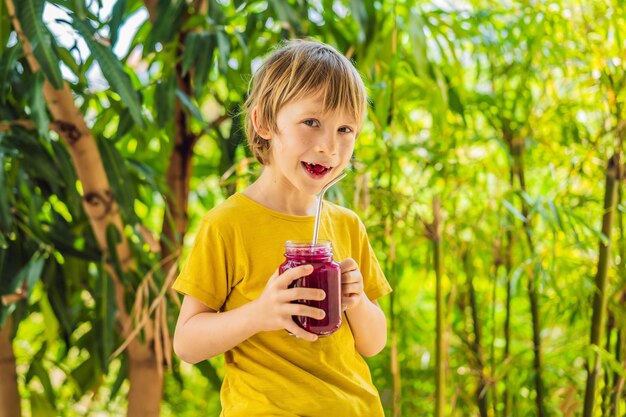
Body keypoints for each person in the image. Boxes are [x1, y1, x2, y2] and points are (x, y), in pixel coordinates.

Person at [172, 39, 392, 416]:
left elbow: (372, 343)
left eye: (345, 129)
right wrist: (260, 313)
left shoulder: (347, 226)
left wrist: (357, 302)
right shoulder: (228, 225)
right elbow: (187, 343)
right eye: (312, 122)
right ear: (264, 123)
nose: (330, 146)